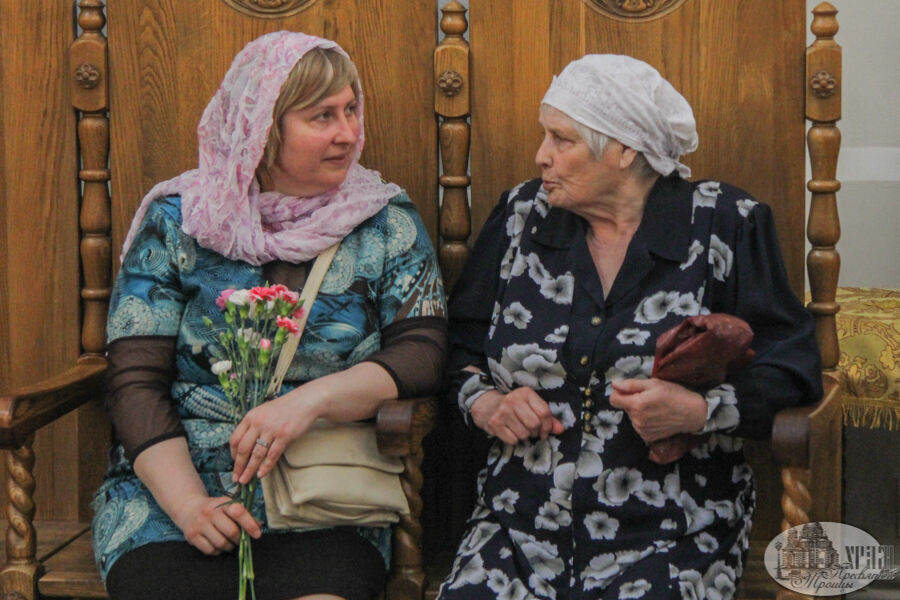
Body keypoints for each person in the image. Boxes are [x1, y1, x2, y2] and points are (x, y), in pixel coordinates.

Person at [437, 54, 821, 600]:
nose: (541, 155)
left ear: (624, 151)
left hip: (673, 532)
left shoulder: (725, 224)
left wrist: (699, 411)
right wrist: (486, 403)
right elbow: (457, 345)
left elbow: (793, 366)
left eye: (561, 139)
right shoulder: (523, 216)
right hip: (518, 527)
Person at [91, 31, 447, 600]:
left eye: (350, 109)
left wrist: (309, 402)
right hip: (175, 495)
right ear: (262, 127)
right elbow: (134, 380)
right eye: (322, 116)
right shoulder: (180, 221)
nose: (348, 132)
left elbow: (422, 350)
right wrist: (190, 505)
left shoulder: (385, 221)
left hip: (324, 493)